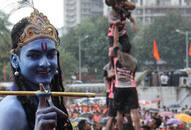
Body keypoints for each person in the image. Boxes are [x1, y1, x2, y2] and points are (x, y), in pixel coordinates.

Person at [0, 9, 72, 130]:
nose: (45, 63)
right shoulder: (12, 110)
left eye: (51, 54)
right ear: (15, 60)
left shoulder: (50, 99)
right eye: (34, 55)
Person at [112, 24, 140, 130]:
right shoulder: (134, 61)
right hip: (131, 88)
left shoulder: (116, 58)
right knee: (134, 111)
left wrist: (115, 28)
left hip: (119, 88)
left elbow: (115, 42)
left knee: (119, 113)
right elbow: (133, 75)